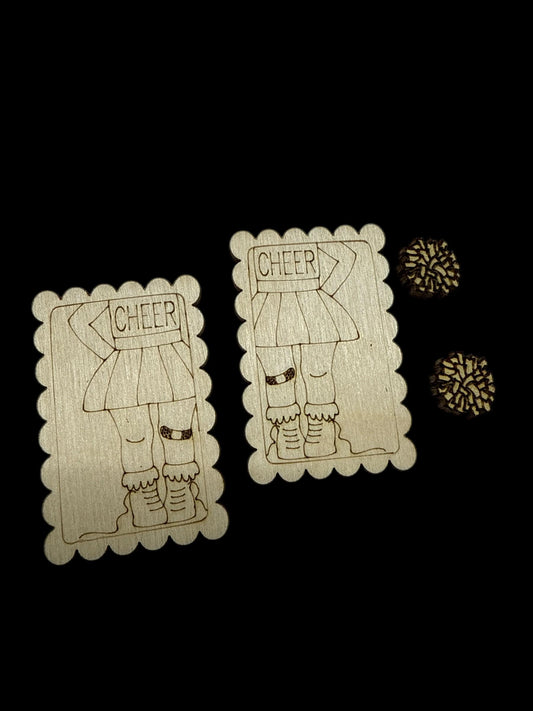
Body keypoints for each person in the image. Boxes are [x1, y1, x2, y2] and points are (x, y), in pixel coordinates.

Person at [69, 292, 200, 527]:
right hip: (127, 367)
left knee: (177, 431)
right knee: (135, 435)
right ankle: (145, 497)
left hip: (174, 358)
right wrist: (112, 356)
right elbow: (79, 320)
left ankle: (179, 492)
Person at [252, 240, 359, 459]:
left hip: (311, 305)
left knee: (316, 371)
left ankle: (319, 429)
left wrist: (321, 295)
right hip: (269, 306)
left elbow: (346, 256)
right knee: (279, 375)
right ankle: (288, 432)